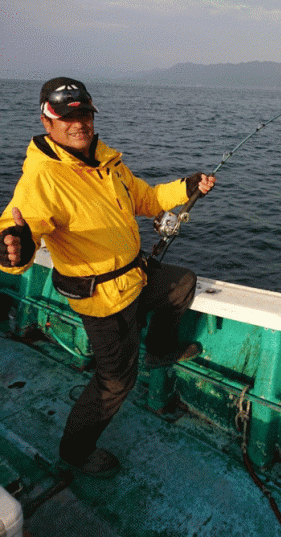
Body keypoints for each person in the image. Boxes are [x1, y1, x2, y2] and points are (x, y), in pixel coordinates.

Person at [0, 77, 216, 477]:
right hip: (103, 299)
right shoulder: (42, 178)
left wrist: (186, 187)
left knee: (182, 282)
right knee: (115, 382)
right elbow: (21, 226)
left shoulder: (107, 163)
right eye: (67, 116)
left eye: (83, 113)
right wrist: (13, 246)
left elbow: (145, 199)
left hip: (135, 276)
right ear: (47, 122)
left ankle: (160, 348)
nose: (78, 123)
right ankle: (75, 451)